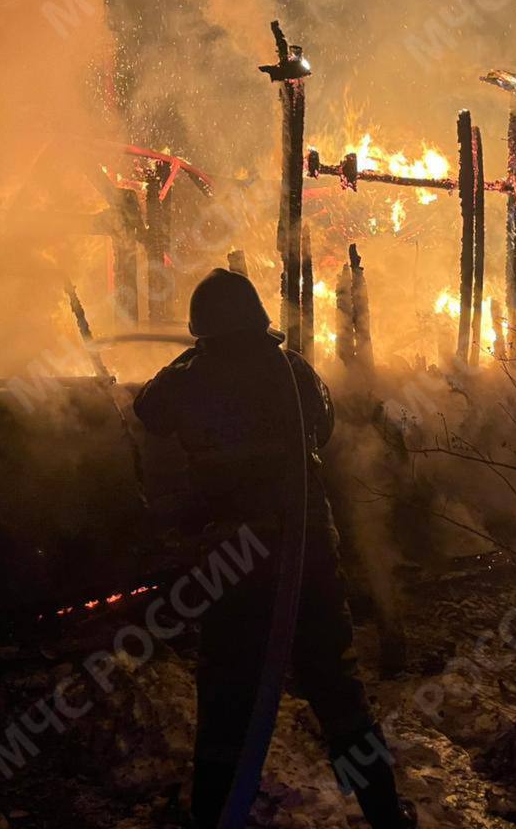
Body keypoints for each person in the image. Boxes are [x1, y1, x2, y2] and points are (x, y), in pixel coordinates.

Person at [134, 268, 417, 829]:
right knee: (336, 686)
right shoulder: (294, 372)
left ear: (203, 330)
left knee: (225, 693)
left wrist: (191, 360)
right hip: (305, 551)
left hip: (233, 559)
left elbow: (148, 410)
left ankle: (213, 814)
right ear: (259, 320)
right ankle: (384, 813)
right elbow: (327, 427)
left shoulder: (192, 378)